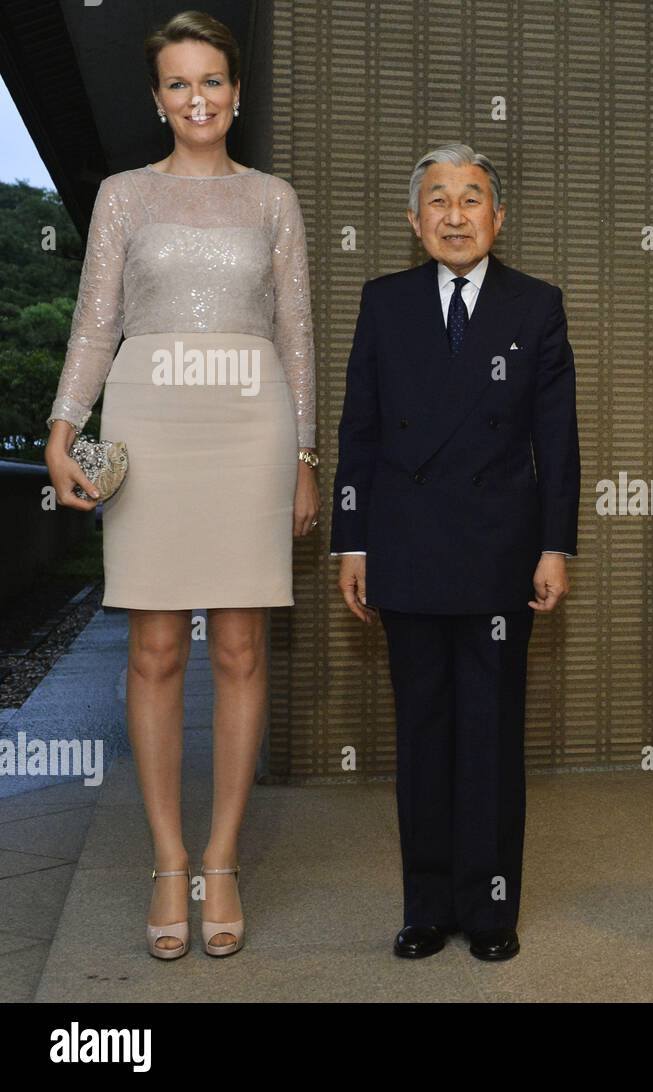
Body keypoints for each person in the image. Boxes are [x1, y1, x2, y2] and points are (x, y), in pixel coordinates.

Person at [43, 11, 320, 959]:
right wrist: (62, 428)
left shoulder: (274, 198)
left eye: (212, 80)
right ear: (158, 99)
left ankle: (224, 855)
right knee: (155, 647)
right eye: (178, 84)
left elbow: (296, 334)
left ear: (236, 93)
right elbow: (94, 320)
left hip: (250, 424)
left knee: (241, 649)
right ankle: (168, 859)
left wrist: (304, 456)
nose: (197, 98)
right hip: (150, 425)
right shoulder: (123, 196)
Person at [331, 144, 579, 963]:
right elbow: (358, 431)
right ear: (414, 221)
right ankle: (426, 907)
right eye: (437, 200)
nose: (455, 214)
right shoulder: (384, 302)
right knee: (424, 735)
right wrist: (352, 539)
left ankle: (492, 906)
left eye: (472, 198)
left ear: (497, 218)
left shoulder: (536, 306)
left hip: (502, 553)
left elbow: (558, 442)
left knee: (492, 738)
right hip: (404, 549)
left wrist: (555, 545)